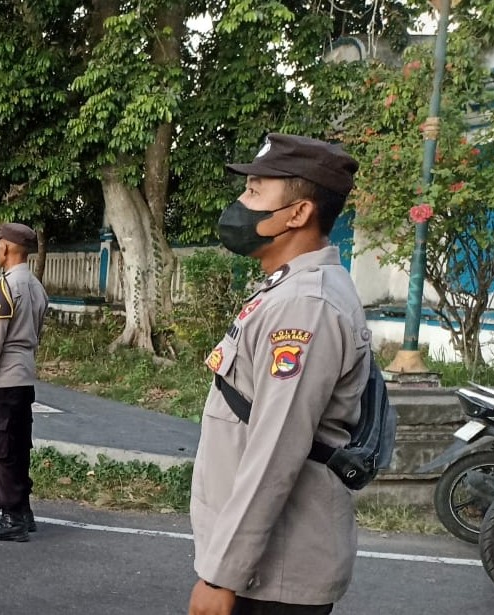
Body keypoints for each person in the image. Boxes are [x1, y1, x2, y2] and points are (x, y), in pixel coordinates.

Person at [188, 134, 370, 615]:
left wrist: (220, 575)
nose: (239, 205)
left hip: (272, 576)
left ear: (298, 214)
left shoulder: (304, 307)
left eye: (253, 191)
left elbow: (275, 449)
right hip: (261, 567)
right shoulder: (288, 289)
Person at [0, 223, 48, 542]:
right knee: (17, 446)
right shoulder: (36, 286)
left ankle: (11, 516)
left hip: (3, 379)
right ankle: (23, 512)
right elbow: (38, 332)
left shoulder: (4, 287)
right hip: (24, 376)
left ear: (7, 249)